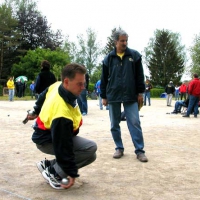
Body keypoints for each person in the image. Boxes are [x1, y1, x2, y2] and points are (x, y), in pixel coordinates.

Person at [27, 63, 97, 190]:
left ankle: (48, 165)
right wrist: (71, 172)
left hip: (51, 135)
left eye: (84, 83)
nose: (83, 88)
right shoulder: (61, 114)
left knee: (91, 155)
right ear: (66, 82)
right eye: (79, 84)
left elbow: (44, 94)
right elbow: (62, 145)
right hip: (47, 140)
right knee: (90, 148)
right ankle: (54, 173)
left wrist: (36, 110)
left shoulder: (57, 85)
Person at [100, 29, 148, 162]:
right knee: (114, 123)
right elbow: (103, 78)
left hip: (131, 95)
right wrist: (104, 96)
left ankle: (140, 151)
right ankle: (119, 148)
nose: (124, 43)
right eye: (122, 40)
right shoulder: (108, 58)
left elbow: (140, 76)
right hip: (113, 95)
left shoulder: (135, 56)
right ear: (116, 42)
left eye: (126, 40)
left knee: (134, 122)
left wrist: (140, 93)